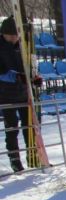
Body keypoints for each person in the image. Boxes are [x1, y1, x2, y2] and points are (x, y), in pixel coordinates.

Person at [0, 16, 34, 173]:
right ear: (5, 34)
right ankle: (15, 161)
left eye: (17, 35)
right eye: (12, 35)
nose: (15, 38)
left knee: (30, 127)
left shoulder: (22, 45)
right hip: (5, 94)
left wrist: (34, 77)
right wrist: (16, 76)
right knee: (12, 127)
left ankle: (33, 157)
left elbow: (29, 65)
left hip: (23, 93)